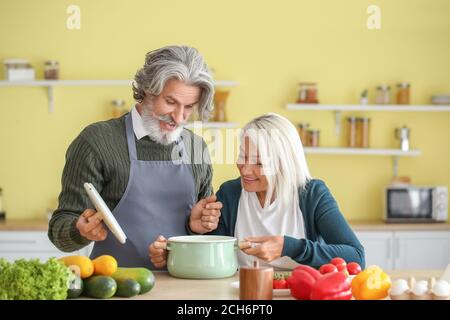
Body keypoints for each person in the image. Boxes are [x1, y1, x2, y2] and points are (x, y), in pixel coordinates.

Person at [49, 45, 222, 268]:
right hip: (115, 286)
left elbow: (207, 242)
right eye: (170, 102)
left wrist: (197, 227)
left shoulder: (197, 147)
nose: (179, 118)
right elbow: (58, 230)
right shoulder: (97, 142)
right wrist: (80, 230)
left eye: (188, 106)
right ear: (147, 90)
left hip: (183, 287)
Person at [150, 113, 365, 269]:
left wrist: (289, 247)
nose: (246, 168)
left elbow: (356, 257)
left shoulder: (312, 194)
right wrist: (194, 231)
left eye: (259, 163)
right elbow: (212, 261)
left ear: (285, 163)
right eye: (243, 156)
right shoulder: (230, 193)